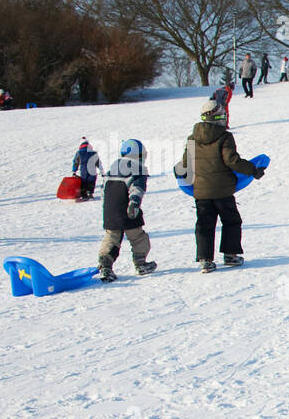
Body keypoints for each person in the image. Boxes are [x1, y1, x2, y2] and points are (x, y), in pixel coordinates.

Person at [174, 97, 263, 272]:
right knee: (231, 221)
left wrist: (178, 172)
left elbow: (186, 165)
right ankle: (230, 254)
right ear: (219, 117)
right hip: (223, 191)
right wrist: (253, 170)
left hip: (201, 192)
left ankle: (205, 259)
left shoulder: (192, 139)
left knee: (204, 225)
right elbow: (232, 161)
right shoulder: (224, 137)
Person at [97, 139, 157, 282]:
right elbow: (137, 188)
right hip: (129, 210)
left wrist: (106, 208)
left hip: (110, 211)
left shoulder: (113, 168)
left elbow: (103, 190)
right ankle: (140, 263)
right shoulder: (138, 169)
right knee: (138, 237)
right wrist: (134, 203)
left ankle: (105, 266)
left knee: (111, 238)